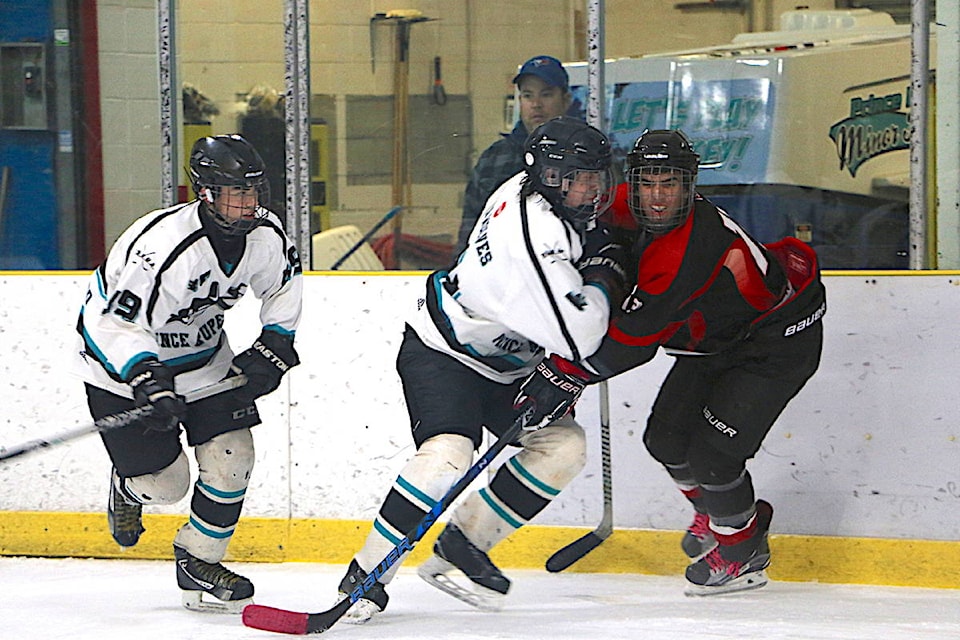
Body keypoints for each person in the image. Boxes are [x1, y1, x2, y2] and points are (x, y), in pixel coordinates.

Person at [336, 116, 625, 623]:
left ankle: (463, 545)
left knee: (564, 446)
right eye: (580, 178)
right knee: (448, 454)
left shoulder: (533, 188)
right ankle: (366, 575)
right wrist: (604, 271)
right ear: (552, 179)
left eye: (596, 176)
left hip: (507, 363)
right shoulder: (532, 240)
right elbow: (582, 336)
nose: (592, 189)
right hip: (444, 353)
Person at [585, 129, 826, 595]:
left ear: (690, 186)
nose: (656, 196)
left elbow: (631, 343)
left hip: (776, 342)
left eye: (670, 183)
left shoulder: (692, 245)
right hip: (717, 339)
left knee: (714, 458)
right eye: (648, 182)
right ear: (632, 182)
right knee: (664, 439)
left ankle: (742, 550)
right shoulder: (622, 203)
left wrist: (564, 378)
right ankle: (722, 515)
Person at [74, 134, 303, 613]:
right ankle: (127, 485)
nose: (248, 203)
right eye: (235, 193)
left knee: (233, 455)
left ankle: (198, 558)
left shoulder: (266, 236)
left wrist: (276, 343)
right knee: (166, 484)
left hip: (204, 363)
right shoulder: (158, 248)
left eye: (253, 192)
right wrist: (147, 379)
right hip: (121, 371)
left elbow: (283, 288)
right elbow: (113, 324)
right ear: (204, 193)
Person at [454, 55, 575, 255]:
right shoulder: (493, 159)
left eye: (546, 94)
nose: (536, 104)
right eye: (528, 95)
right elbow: (471, 227)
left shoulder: (586, 156)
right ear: (519, 101)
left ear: (566, 99)